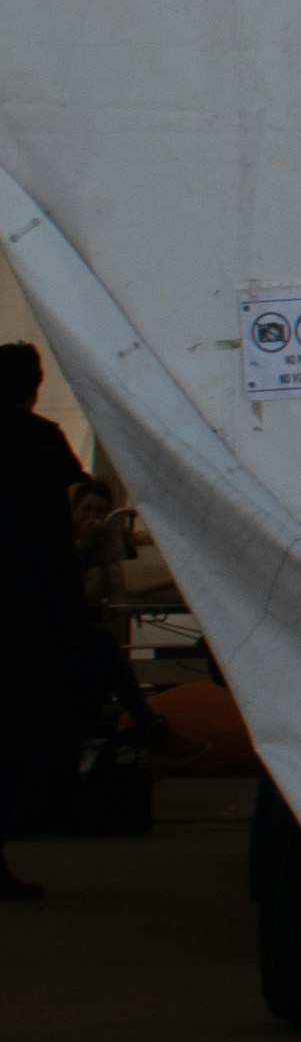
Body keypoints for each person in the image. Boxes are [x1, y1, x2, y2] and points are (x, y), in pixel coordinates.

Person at [0, 343, 138, 901]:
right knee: (14, 737)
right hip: (22, 616)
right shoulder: (39, 443)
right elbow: (55, 542)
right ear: (32, 388)